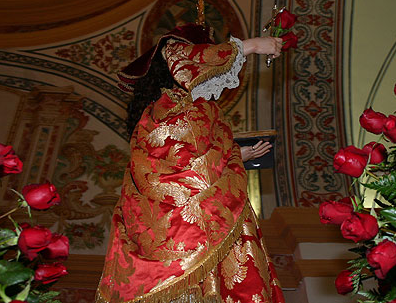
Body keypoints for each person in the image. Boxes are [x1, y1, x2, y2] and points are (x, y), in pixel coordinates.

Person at [95, 22, 286, 303]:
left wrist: (237, 155)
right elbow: (183, 164)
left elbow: (199, 160)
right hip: (180, 222)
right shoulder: (172, 106)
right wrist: (252, 45)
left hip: (194, 216)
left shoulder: (196, 109)